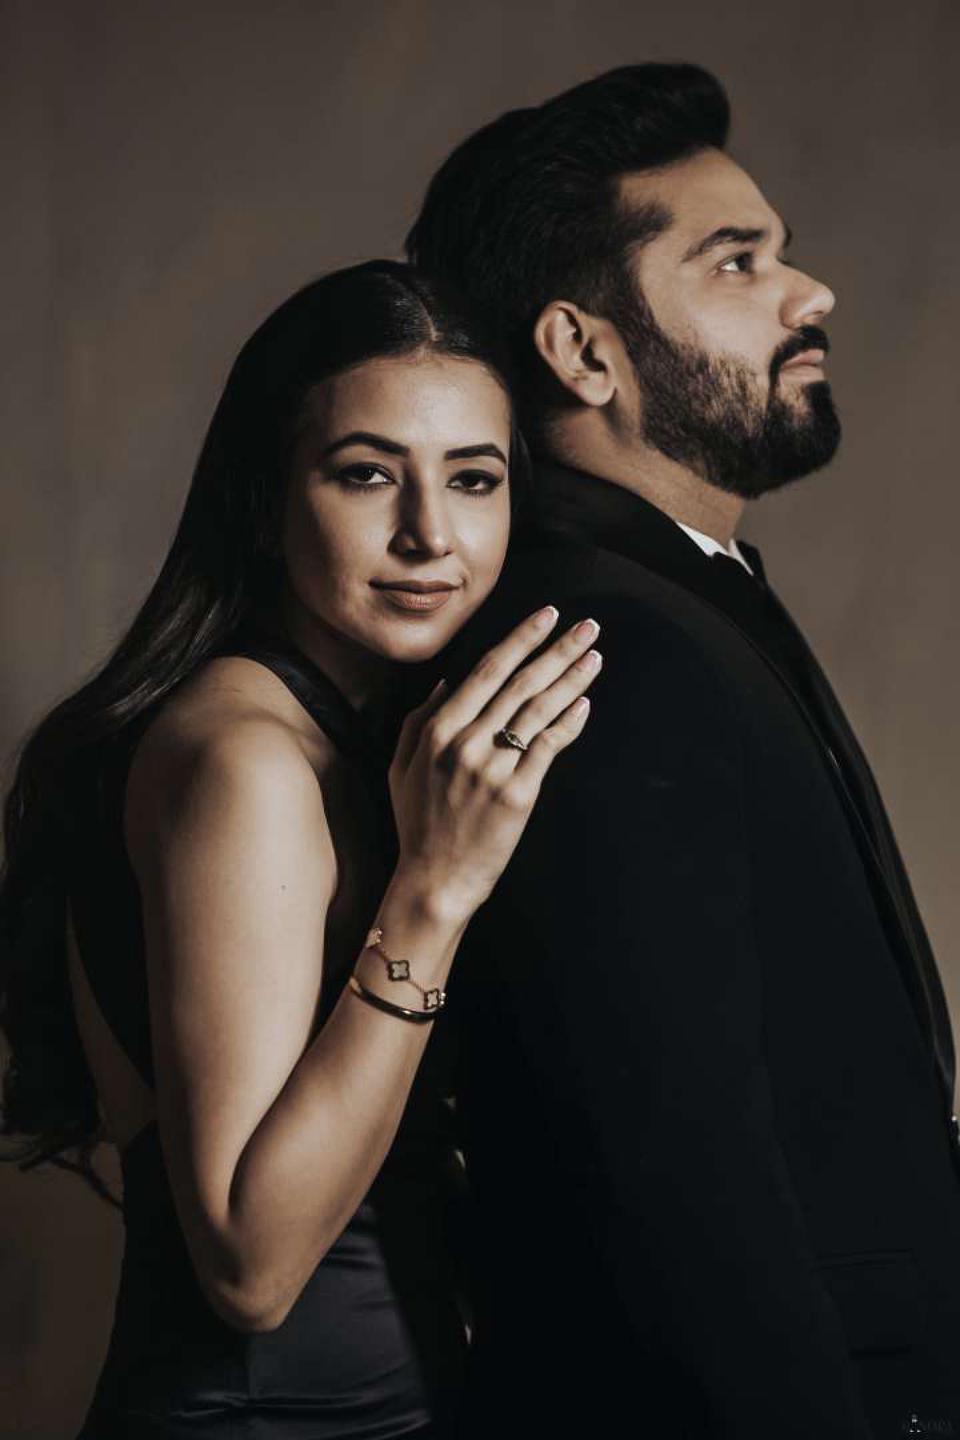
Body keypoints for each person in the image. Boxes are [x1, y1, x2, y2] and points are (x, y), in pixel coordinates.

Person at [407, 64, 960, 1439]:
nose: (811, 292)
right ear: (583, 352)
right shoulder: (599, 644)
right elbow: (677, 1177)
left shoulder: (679, 595)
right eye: (736, 261)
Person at [0, 260, 602, 1438]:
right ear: (262, 503)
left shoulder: (345, 737)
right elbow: (251, 1266)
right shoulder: (249, 766)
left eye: (473, 479)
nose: (430, 534)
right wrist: (434, 891)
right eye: (367, 473)